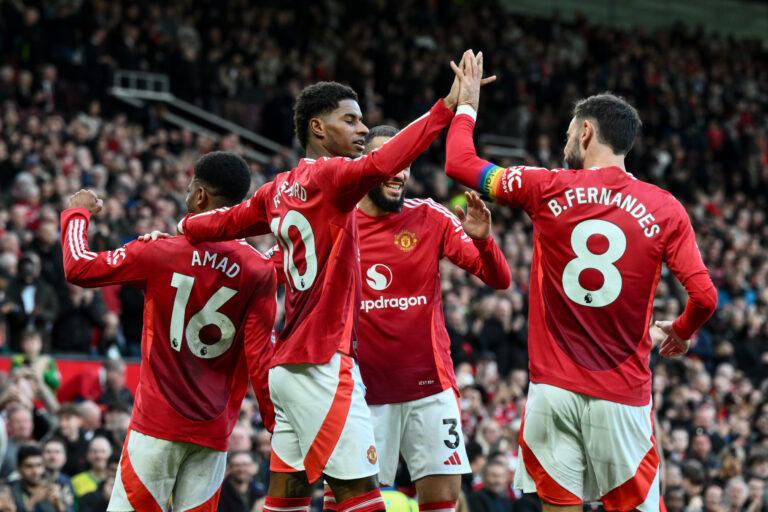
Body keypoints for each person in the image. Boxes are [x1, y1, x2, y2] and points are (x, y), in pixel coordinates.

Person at [177, 52, 482, 512]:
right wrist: (447, 108)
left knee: (288, 500)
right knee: (362, 499)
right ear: (318, 129)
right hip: (323, 365)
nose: (363, 130)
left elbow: (221, 223)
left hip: (287, 367)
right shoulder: (335, 177)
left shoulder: (276, 188)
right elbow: (388, 161)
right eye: (352, 120)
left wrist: (182, 229)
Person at [444, 52, 718, 511]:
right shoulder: (666, 208)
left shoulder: (545, 186)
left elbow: (459, 163)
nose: (566, 141)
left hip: (552, 392)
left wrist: (467, 105)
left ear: (586, 132)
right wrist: (682, 332)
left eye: (570, 133)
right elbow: (705, 297)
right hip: (623, 398)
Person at [60, 151, 277, 511]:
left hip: (156, 425)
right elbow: (260, 358)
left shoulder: (160, 251)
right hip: (214, 431)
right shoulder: (259, 270)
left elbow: (78, 267)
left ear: (200, 196)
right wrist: (275, 425)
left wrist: (77, 214)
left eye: (191, 186)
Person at [325, 125, 509, 512]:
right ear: (365, 167)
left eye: (406, 163)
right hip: (361, 391)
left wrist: (483, 240)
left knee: (443, 504)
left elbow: (499, 278)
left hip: (430, 388)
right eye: (390, 162)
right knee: (351, 504)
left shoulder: (430, 216)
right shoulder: (337, 222)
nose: (400, 172)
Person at [10, 444, 68, 512]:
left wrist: (59, 505)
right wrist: (33, 501)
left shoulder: (52, 488)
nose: (35, 471)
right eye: (29, 466)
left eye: (39, 465)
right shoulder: (11, 491)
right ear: (19, 469)